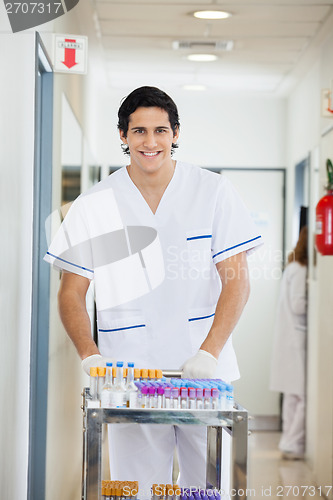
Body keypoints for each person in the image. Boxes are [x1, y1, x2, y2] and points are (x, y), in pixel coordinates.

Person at [45, 86, 262, 492]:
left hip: (204, 372)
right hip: (130, 374)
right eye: (139, 131)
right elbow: (70, 291)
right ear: (123, 136)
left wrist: (209, 351)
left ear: (175, 134)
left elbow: (238, 281)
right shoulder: (95, 203)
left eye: (160, 130)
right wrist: (90, 357)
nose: (150, 142)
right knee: (137, 489)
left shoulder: (213, 192)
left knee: (209, 488)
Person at [270, 226, 308, 460]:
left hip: (289, 337)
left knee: (292, 394)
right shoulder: (301, 270)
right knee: (302, 396)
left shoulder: (291, 267)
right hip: (296, 337)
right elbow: (299, 305)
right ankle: (293, 443)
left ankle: (288, 442)